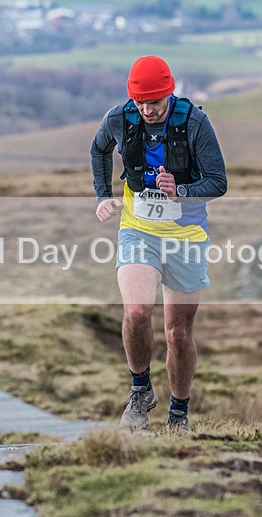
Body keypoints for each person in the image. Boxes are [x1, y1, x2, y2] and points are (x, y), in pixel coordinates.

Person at [91, 55, 227, 432]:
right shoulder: (119, 117)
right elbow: (99, 148)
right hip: (138, 230)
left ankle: (179, 414)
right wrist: (104, 194)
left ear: (169, 93)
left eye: (155, 102)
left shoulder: (195, 122)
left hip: (186, 235)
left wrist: (180, 189)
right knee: (136, 312)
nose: (148, 110)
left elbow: (218, 182)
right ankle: (140, 390)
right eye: (141, 103)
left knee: (178, 334)